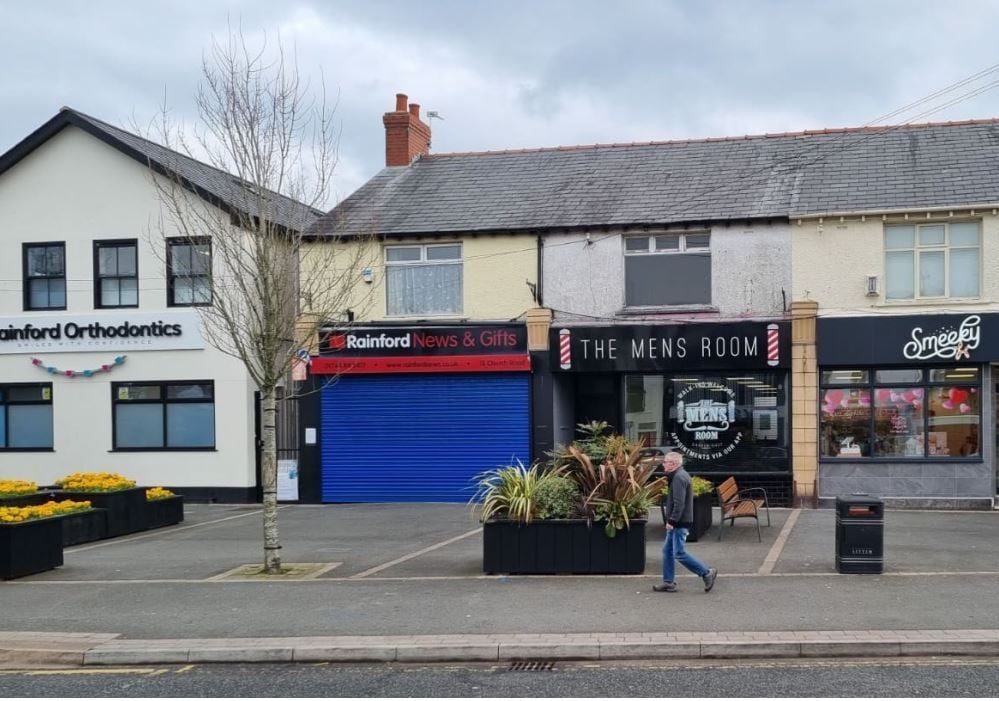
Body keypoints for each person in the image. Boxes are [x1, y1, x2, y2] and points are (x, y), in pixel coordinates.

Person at [654, 451, 717, 593]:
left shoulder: (678, 478)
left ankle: (706, 573)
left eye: (665, 462)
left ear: (673, 464)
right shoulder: (678, 475)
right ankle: (668, 582)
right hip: (679, 521)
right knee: (667, 550)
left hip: (679, 522)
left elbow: (679, 503)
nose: (663, 464)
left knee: (679, 553)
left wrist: (672, 521)